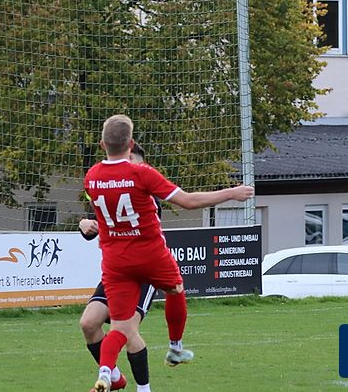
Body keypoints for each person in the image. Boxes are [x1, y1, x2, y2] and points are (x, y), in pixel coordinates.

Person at [85, 115, 254, 392]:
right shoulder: (142, 173)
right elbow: (188, 201)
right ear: (131, 144)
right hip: (150, 254)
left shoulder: (91, 177)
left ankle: (106, 372)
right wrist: (231, 193)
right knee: (175, 289)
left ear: (103, 144)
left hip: (116, 261)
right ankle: (175, 348)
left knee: (120, 327)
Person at [79, 143, 157, 391]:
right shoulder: (111, 191)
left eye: (132, 161)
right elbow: (104, 221)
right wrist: (85, 225)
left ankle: (144, 389)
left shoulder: (147, 194)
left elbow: (126, 225)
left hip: (144, 273)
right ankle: (114, 377)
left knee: (126, 330)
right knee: (89, 323)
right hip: (117, 272)